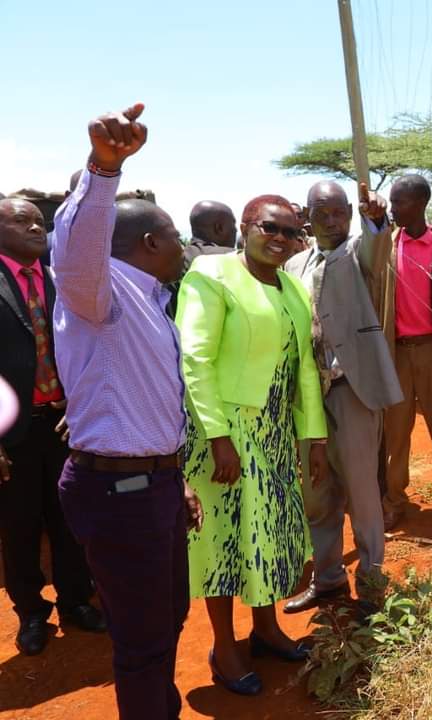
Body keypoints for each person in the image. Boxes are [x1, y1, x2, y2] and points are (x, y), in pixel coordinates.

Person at [52, 103, 202, 720]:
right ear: (148, 243)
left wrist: (176, 478)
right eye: (173, 237)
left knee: (168, 618)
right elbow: (77, 247)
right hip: (118, 493)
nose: (182, 246)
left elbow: (149, 404)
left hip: (153, 484)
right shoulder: (99, 291)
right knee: (142, 642)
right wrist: (103, 170)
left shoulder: (152, 298)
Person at [176, 194, 328, 696]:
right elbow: (195, 359)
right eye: (270, 228)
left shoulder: (291, 287)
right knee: (223, 539)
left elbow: (304, 365)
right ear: (245, 226)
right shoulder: (212, 276)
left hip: (277, 434)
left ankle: (264, 629)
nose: (281, 239)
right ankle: (224, 646)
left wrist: (315, 438)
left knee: (269, 536)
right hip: (225, 432)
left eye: (290, 232)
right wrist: (217, 436)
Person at [282, 180, 403, 617]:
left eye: (341, 212)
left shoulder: (358, 254)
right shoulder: (293, 264)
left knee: (362, 493)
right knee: (317, 494)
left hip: (352, 389)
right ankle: (328, 579)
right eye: (323, 213)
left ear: (351, 213)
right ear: (306, 217)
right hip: (308, 396)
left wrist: (376, 220)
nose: (333, 221)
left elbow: (377, 247)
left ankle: (371, 585)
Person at [0, 198, 103, 657]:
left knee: (70, 518)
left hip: (66, 423)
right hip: (12, 430)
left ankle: (76, 600)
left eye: (39, 221)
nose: (35, 227)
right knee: (20, 525)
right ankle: (31, 613)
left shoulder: (62, 279)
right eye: (21, 221)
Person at [363, 174, 432, 533]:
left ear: (421, 204)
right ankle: (394, 500)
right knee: (396, 434)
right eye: (392, 202)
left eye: (400, 202)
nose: (394, 208)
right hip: (397, 356)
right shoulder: (387, 246)